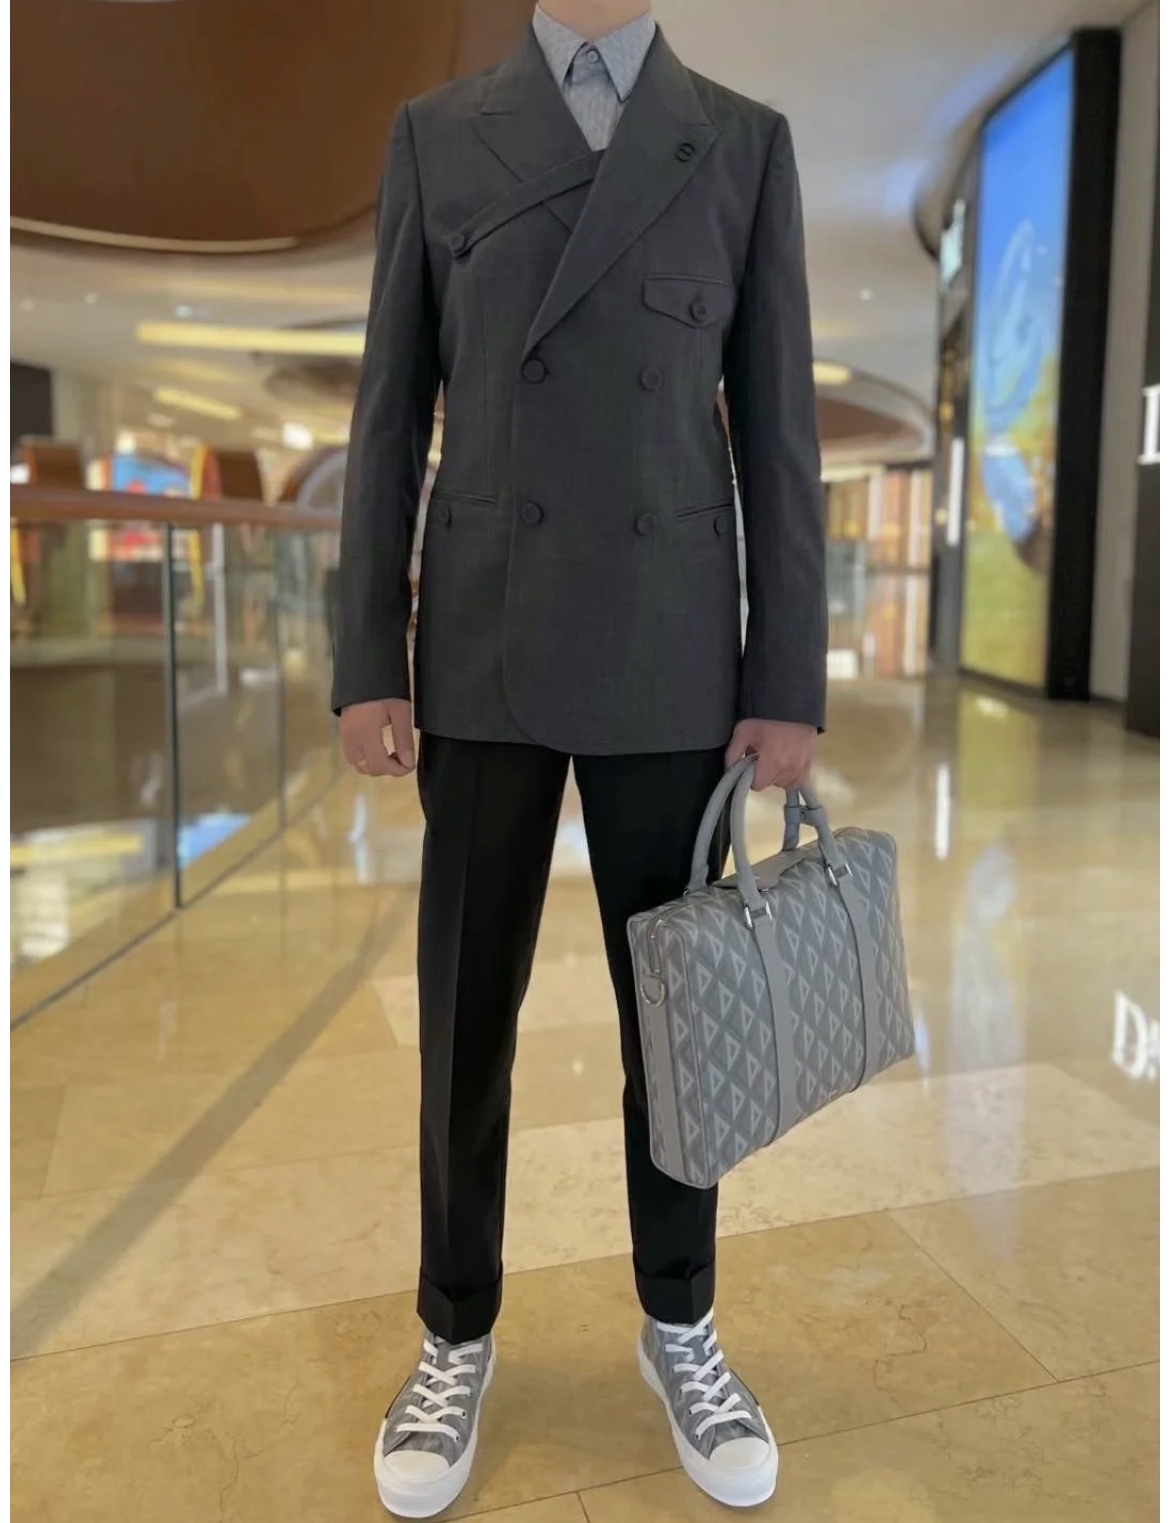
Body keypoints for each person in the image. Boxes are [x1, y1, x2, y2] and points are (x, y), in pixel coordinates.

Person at [332, 1, 826, 1513]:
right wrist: (366, 656)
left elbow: (780, 434)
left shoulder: (742, 142)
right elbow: (388, 418)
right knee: (462, 1021)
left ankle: (680, 1321)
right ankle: (454, 1330)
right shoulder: (436, 137)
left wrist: (785, 678)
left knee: (678, 1024)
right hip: (482, 641)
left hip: (671, 654)